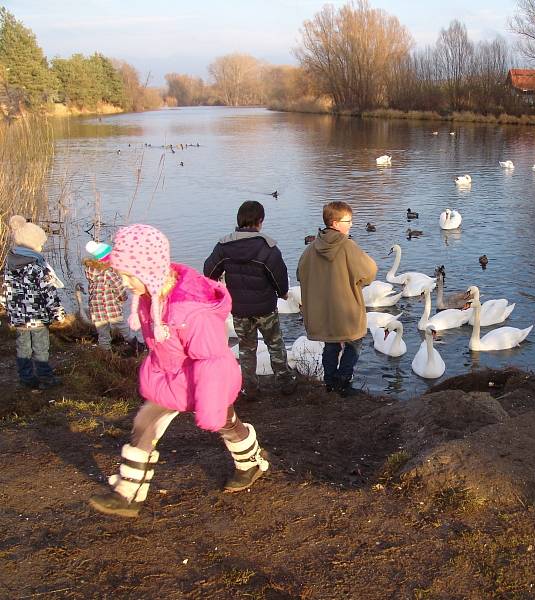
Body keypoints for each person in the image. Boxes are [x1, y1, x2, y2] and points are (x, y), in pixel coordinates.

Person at [89, 224, 270, 518]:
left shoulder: (190, 311)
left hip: (205, 382)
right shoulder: (152, 292)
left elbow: (212, 359)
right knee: (144, 425)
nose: (124, 283)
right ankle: (127, 494)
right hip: (170, 380)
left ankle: (251, 462)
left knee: (225, 422)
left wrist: (209, 403)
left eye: (127, 275)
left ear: (146, 271)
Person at [204, 201, 293, 398]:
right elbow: (278, 275)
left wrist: (219, 289)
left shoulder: (223, 246)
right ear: (260, 221)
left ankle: (250, 387)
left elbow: (209, 272)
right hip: (265, 308)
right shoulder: (268, 247)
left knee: (246, 348)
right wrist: (282, 293)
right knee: (275, 344)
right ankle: (285, 382)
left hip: (240, 309)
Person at [296, 201, 377, 396]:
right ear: (334, 222)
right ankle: (343, 381)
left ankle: (330, 383)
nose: (351, 224)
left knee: (330, 345)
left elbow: (300, 274)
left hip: (322, 311)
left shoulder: (310, 249)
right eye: (348, 221)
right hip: (346, 308)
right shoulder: (348, 246)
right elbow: (370, 272)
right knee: (354, 342)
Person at [3, 215, 64, 389]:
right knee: (41, 349)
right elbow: (49, 293)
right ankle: (45, 378)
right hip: (37, 317)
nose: (41, 247)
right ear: (32, 246)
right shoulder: (38, 267)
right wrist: (58, 313)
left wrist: (10, 311)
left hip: (19, 318)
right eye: (40, 244)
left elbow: (6, 291)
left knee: (23, 348)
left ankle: (26, 378)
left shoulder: (10, 265)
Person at [83, 240, 136, 351]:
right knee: (124, 328)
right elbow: (119, 287)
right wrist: (123, 297)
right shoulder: (108, 272)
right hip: (111, 307)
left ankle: (105, 353)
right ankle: (135, 345)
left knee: (103, 334)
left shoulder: (90, 270)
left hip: (96, 309)